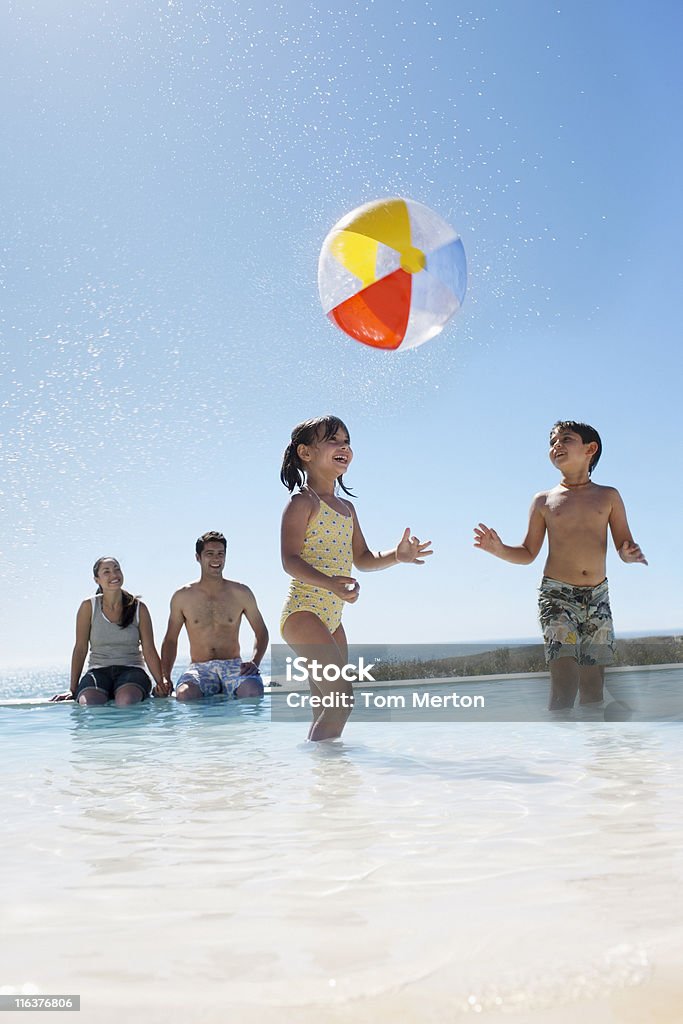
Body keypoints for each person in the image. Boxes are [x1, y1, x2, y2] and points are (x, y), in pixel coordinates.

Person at [474, 420, 647, 710]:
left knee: (593, 685)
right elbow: (528, 552)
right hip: (557, 596)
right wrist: (499, 549)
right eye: (552, 441)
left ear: (590, 449)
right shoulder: (544, 501)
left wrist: (628, 554)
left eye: (566, 439)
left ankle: (592, 749)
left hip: (597, 597)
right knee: (564, 680)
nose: (556, 445)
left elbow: (623, 542)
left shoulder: (608, 496)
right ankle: (559, 749)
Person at [280, 415, 433, 741]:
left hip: (333, 619)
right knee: (342, 700)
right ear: (305, 453)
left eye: (347, 441)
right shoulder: (302, 503)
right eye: (333, 440)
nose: (344, 447)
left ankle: (322, 777)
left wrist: (397, 555)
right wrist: (330, 583)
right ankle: (330, 773)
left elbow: (363, 559)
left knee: (324, 704)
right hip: (302, 613)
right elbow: (289, 560)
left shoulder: (348, 509)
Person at [161, 531, 268, 701]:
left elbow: (261, 631)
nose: (216, 559)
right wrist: (165, 677)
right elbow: (171, 640)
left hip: (233, 665)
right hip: (199, 668)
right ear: (198, 557)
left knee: (253, 691)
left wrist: (255, 661)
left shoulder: (241, 592)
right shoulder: (182, 596)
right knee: (185, 695)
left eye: (220, 554)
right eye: (209, 554)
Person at [51, 557, 172, 705]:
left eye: (117, 569)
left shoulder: (139, 608)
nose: (114, 575)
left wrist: (160, 683)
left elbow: (149, 649)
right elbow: (80, 648)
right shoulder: (88, 607)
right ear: (97, 580)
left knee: (126, 701)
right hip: (98, 672)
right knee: (89, 704)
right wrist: (72, 689)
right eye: (106, 572)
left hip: (132, 671)